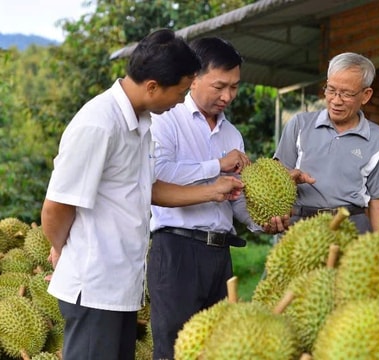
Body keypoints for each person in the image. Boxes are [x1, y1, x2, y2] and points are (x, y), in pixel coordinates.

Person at [40, 29, 244, 360]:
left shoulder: (141, 122)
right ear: (152, 86)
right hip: (94, 285)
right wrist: (64, 251)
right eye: (179, 92)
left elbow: (149, 189)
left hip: (122, 285)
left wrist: (214, 190)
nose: (181, 100)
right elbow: (56, 206)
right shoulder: (99, 124)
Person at [147, 36, 305, 360]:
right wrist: (217, 165)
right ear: (193, 77)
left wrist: (264, 223)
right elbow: (156, 177)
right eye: (220, 86)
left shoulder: (233, 135)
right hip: (176, 250)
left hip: (220, 255)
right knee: (174, 349)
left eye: (234, 87)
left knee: (219, 348)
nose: (228, 96)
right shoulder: (166, 120)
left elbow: (235, 199)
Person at [274, 52, 379, 234]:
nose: (336, 100)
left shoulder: (378, 138)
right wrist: (288, 179)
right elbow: (276, 176)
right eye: (331, 90)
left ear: (365, 95)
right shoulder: (299, 125)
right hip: (302, 226)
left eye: (346, 94)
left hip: (352, 228)